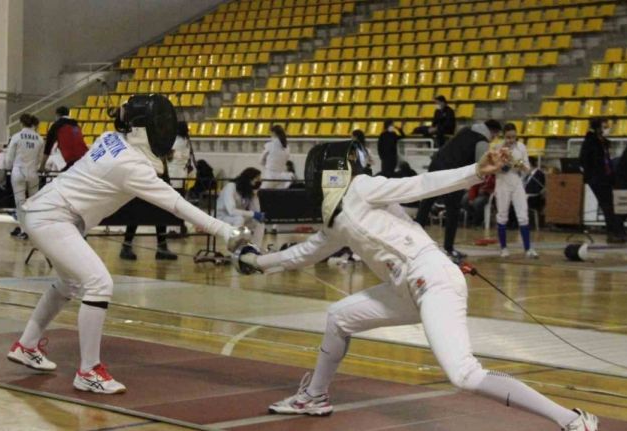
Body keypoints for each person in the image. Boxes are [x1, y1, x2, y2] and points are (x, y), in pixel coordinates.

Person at [234, 140, 598, 431]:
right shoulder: (336, 222)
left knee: (464, 374)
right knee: (338, 317)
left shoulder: (363, 187)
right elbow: (304, 253)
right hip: (405, 288)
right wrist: (256, 263)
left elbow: (420, 185)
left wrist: (475, 171)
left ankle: (572, 420)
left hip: (434, 279)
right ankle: (314, 396)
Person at [7, 95, 244, 394]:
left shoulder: (111, 139)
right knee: (99, 284)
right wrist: (227, 231)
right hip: (52, 218)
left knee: (68, 283)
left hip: (47, 211)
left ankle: (26, 345)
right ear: (145, 129)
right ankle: (88, 371)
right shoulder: (130, 166)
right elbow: (176, 204)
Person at [416, 120, 503, 260]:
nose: (494, 138)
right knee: (453, 211)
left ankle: (412, 243)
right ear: (492, 132)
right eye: (496, 135)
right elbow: (480, 165)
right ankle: (449, 248)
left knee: (425, 205)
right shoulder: (482, 141)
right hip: (453, 175)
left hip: (436, 165)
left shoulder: (466, 130)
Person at [579, 118, 627, 243]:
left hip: (607, 177)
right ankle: (613, 232)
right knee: (608, 206)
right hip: (597, 178)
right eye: (604, 126)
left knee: (611, 206)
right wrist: (590, 176)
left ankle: (617, 231)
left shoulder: (603, 142)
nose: (607, 128)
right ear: (598, 127)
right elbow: (584, 160)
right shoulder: (590, 141)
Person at [120, 156, 178, 261]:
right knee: (137, 210)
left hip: (159, 176)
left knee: (161, 211)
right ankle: (126, 246)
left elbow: (166, 158)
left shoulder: (162, 144)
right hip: (143, 175)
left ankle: (162, 248)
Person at [494, 123, 538, 258]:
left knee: (523, 215)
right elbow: (495, 169)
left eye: (513, 137)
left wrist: (519, 164)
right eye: (508, 137)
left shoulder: (521, 147)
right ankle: (503, 248)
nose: (510, 140)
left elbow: (527, 169)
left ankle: (528, 248)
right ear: (503, 136)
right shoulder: (498, 148)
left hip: (517, 182)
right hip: (502, 182)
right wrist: (506, 164)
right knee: (502, 216)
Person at [6, 114, 45, 239]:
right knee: (33, 203)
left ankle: (24, 230)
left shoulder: (16, 137)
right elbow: (39, 160)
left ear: (21, 123)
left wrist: (7, 168)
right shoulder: (39, 139)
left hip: (18, 172)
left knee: (20, 203)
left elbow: (9, 158)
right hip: (33, 173)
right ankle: (34, 229)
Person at [217, 167, 265, 246]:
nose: (259, 181)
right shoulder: (231, 187)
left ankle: (255, 248)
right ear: (249, 179)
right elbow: (231, 211)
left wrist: (255, 194)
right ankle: (235, 248)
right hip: (222, 216)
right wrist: (253, 214)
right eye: (257, 179)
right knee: (239, 219)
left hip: (239, 216)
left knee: (260, 223)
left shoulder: (248, 191)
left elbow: (256, 211)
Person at [41, 106, 88, 172]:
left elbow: (48, 148)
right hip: (85, 157)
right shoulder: (76, 125)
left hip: (73, 159)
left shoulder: (57, 125)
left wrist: (42, 166)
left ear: (57, 115)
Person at [260, 124, 291, 189]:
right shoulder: (287, 147)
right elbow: (286, 160)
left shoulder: (269, 145)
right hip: (281, 177)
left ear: (273, 133)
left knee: (263, 195)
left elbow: (261, 161)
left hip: (270, 176)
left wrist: (267, 165)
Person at [168, 121, 194, 189]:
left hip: (174, 172)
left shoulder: (177, 142)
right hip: (182, 172)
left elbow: (169, 157)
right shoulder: (186, 141)